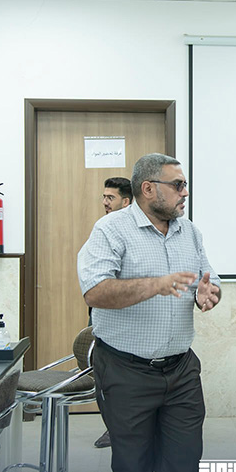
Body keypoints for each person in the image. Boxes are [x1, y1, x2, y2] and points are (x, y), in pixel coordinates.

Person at [77, 153, 221, 472]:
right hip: (126, 371)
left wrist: (208, 294)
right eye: (178, 185)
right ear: (149, 188)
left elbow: (209, 279)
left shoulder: (190, 232)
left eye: (185, 184)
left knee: (183, 471)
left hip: (181, 371)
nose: (185, 192)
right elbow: (95, 291)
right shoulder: (110, 230)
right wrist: (156, 285)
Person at [92, 176, 134, 449]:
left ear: (126, 201)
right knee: (103, 377)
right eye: (104, 197)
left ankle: (123, 430)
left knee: (125, 382)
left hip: (128, 322)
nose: (105, 202)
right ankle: (113, 427)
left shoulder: (134, 234)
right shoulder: (103, 229)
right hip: (102, 315)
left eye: (111, 198)